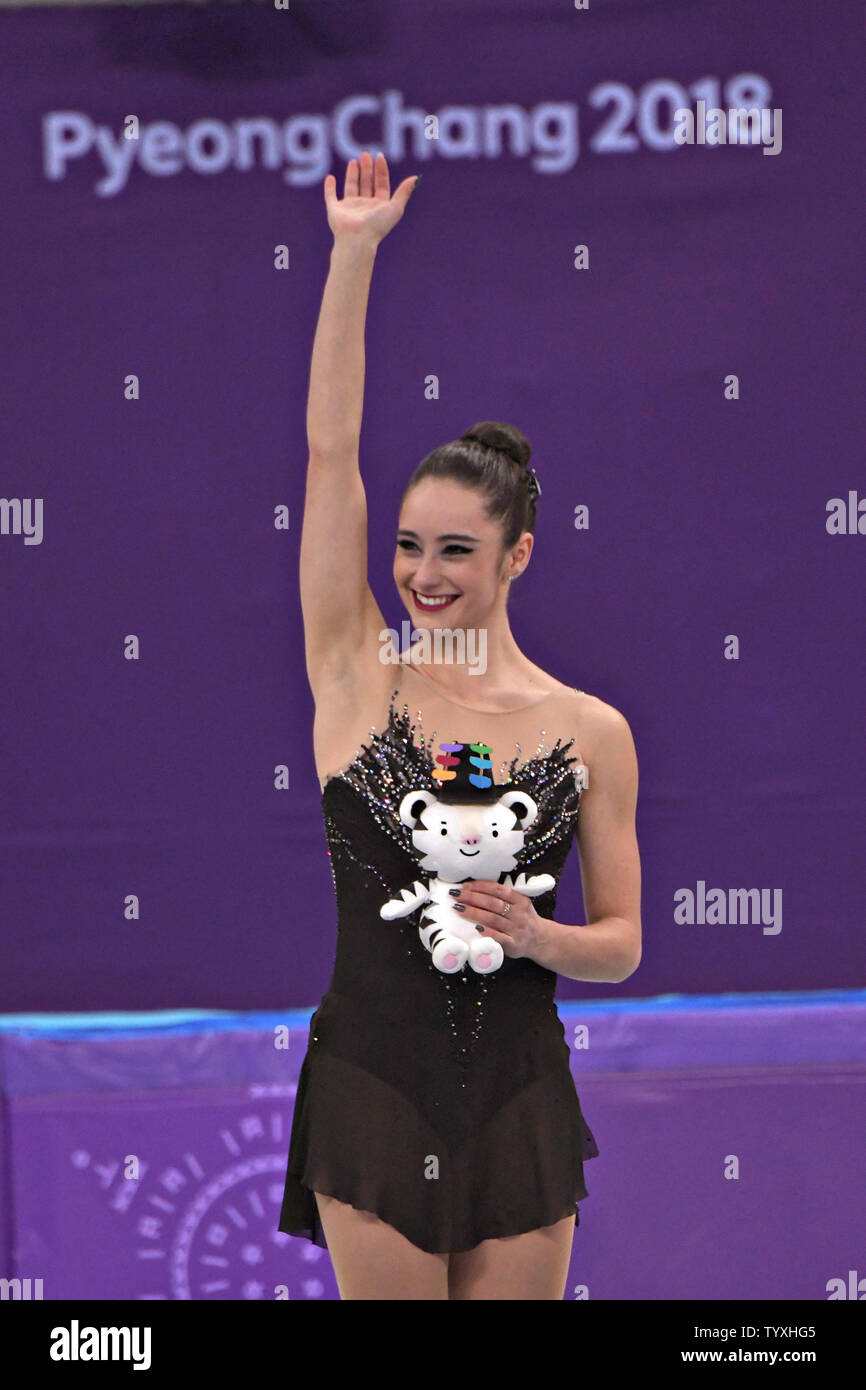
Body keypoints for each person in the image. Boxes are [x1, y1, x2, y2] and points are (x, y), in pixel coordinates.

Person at [278, 151, 641, 1300]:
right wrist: (352, 255)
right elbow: (329, 456)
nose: (420, 575)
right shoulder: (355, 679)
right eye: (406, 545)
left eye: (453, 550)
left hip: (521, 1091)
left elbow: (621, 942)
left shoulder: (588, 730)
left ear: (516, 555)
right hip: (372, 1080)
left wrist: (539, 938)